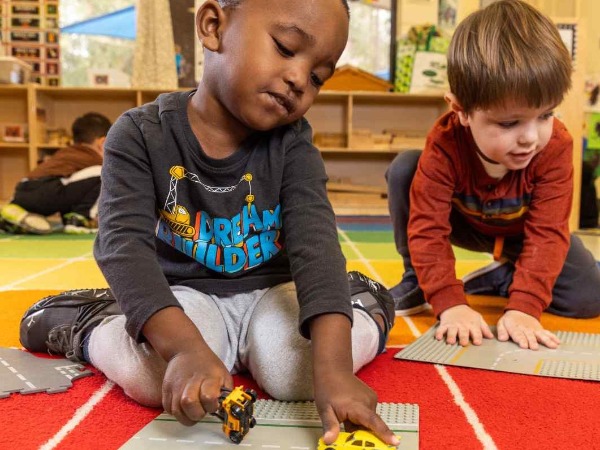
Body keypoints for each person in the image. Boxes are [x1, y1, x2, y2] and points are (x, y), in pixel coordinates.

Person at [19, 1, 399, 447]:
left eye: (317, 77)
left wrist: (334, 373)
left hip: (276, 296)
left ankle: (366, 303)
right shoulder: (140, 134)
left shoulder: (294, 146)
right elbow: (122, 245)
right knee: (155, 379)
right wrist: (183, 349)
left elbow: (316, 248)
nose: (299, 79)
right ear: (213, 26)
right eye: (286, 47)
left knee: (300, 375)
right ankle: (91, 325)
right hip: (187, 297)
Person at [386, 0, 600, 350]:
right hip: (463, 224)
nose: (531, 137)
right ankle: (417, 279)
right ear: (461, 111)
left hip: (523, 236)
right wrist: (449, 302)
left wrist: (525, 307)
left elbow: (548, 233)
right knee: (405, 168)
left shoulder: (555, 145)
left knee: (589, 297)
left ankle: (503, 278)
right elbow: (428, 230)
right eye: (509, 122)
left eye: (546, 115)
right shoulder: (445, 144)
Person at [0, 112, 112, 234]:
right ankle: (80, 218)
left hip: (23, 190)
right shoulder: (93, 158)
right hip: (47, 192)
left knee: (73, 181)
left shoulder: (66, 153)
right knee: (107, 173)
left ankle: (15, 212)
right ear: (103, 143)